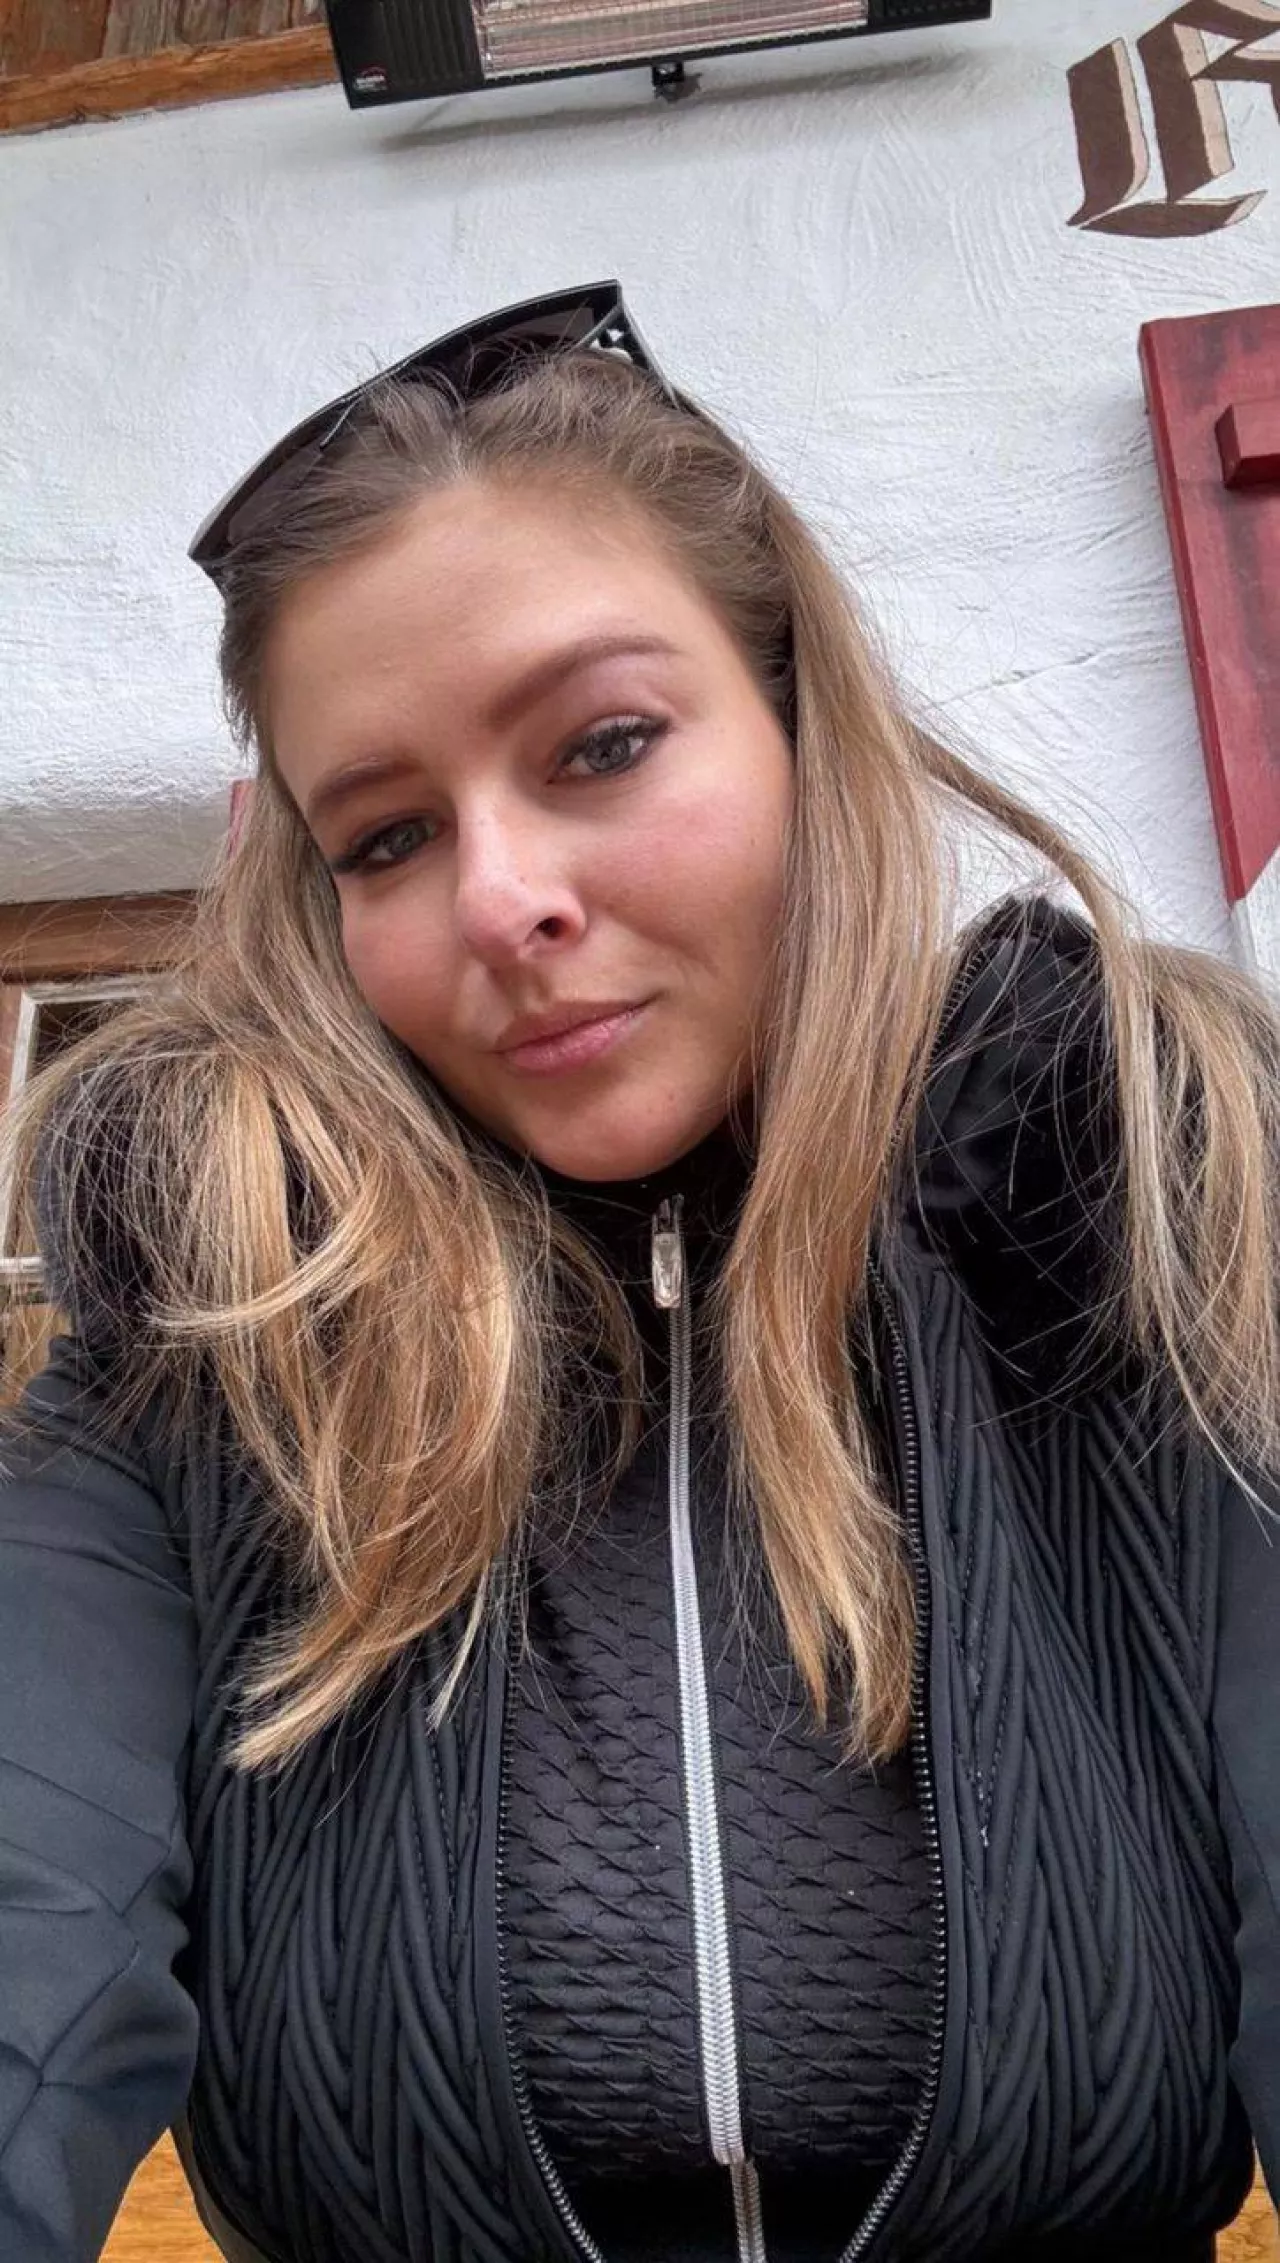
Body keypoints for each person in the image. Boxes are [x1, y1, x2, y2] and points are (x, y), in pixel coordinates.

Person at [1, 279, 1278, 2263]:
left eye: (601, 744)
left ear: (797, 728)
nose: (502, 898)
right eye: (385, 839)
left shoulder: (1127, 1202)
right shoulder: (213, 1323)